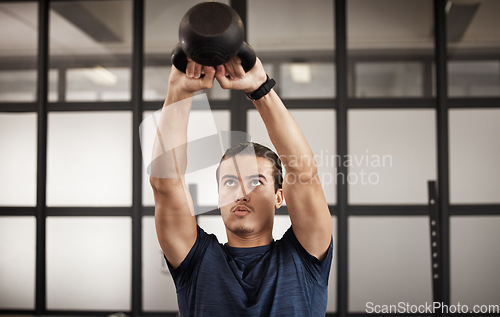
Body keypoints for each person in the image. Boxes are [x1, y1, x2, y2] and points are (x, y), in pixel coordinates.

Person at [150, 55, 333, 316]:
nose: (241, 192)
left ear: (279, 197)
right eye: (230, 181)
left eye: (257, 181)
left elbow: (304, 174)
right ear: (218, 196)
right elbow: (164, 183)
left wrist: (260, 89)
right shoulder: (196, 261)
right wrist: (178, 91)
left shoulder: (305, 257)